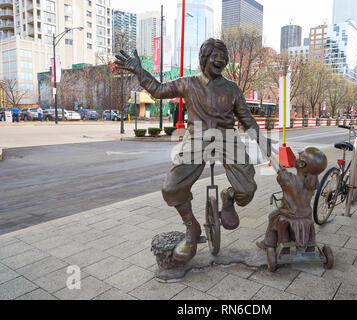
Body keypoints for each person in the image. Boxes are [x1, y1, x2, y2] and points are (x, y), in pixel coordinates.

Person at [115, 39, 262, 263]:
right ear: (204, 58)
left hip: (227, 138)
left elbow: (246, 118)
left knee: (248, 188)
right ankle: (191, 228)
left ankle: (228, 197)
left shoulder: (232, 89)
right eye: (214, 55)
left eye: (223, 57)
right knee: (171, 187)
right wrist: (139, 70)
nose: (220, 60)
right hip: (197, 139)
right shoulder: (189, 83)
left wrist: (262, 141)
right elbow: (158, 89)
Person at [257, 147, 327, 252]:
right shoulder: (313, 184)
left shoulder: (289, 180)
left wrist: (264, 147)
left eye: (301, 155)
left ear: (301, 164)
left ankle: (269, 243)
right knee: (278, 215)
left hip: (289, 214)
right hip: (306, 215)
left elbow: (277, 167)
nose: (298, 155)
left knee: (272, 217)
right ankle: (310, 248)